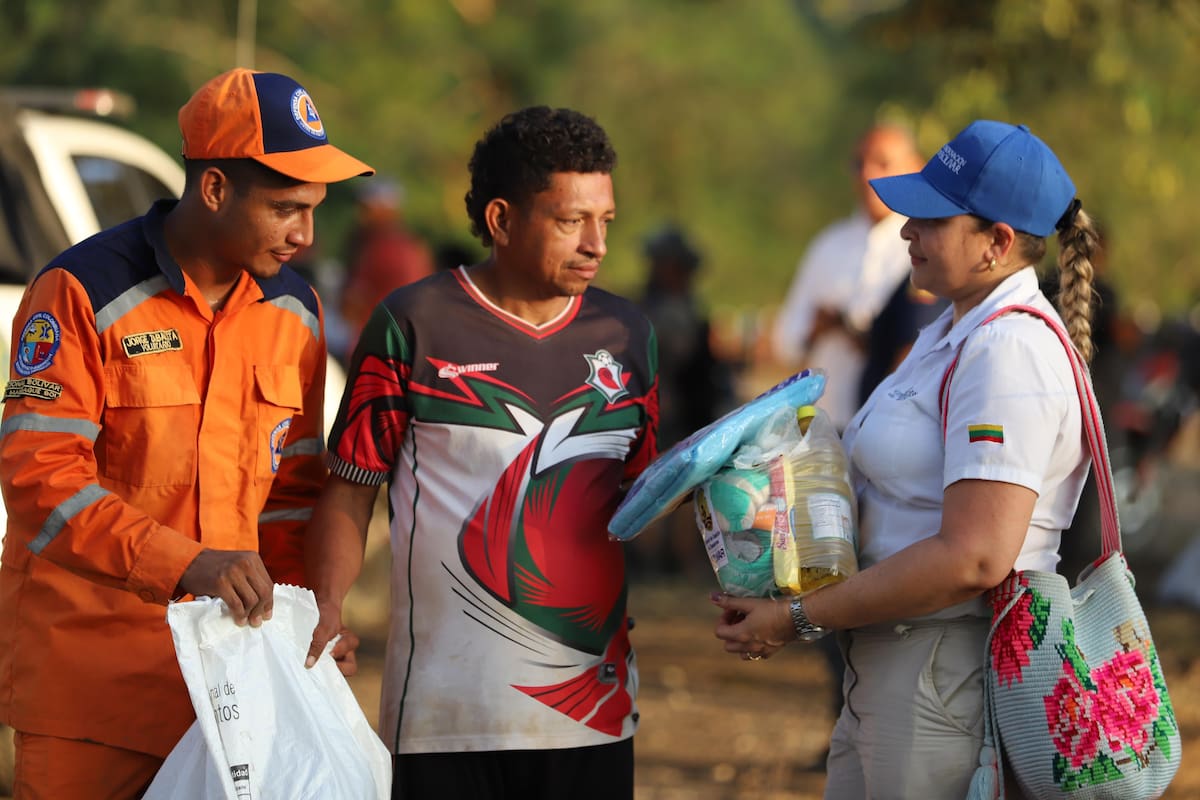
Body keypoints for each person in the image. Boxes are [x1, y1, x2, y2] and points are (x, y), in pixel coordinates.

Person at [0, 67, 373, 799]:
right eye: (287, 208)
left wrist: (305, 616)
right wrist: (186, 563)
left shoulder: (293, 309)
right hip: (90, 693)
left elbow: (293, 492)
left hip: (231, 695)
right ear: (213, 190)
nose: (306, 234)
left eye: (315, 208)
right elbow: (42, 480)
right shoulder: (82, 292)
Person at [713, 120, 1098, 800]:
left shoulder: (1007, 353)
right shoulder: (953, 331)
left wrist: (801, 617)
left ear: (997, 243)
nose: (905, 231)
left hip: (944, 676)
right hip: (895, 665)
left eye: (930, 218)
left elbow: (974, 558)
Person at [304, 106, 659, 799]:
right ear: (500, 221)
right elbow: (349, 490)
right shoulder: (414, 323)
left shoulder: (628, 334)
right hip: (444, 715)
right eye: (570, 220)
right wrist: (326, 612)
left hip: (593, 713)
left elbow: (643, 497)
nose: (596, 244)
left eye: (605, 221)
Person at [771, 123, 926, 431]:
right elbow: (784, 340)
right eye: (859, 164)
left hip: (897, 426)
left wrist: (863, 334)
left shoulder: (923, 246)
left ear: (916, 168)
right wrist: (817, 328)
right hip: (827, 426)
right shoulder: (829, 245)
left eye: (882, 162)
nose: (868, 175)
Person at [629, 225, 733, 578]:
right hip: (665, 408)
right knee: (662, 484)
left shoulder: (665, 306)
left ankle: (671, 562)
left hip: (681, 408)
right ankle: (658, 563)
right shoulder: (663, 310)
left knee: (678, 485)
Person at [336, 177, 435, 362]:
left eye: (367, 208)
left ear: (386, 210)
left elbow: (349, 305)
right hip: (412, 349)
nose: (361, 215)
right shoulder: (415, 245)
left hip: (375, 351)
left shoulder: (377, 247)